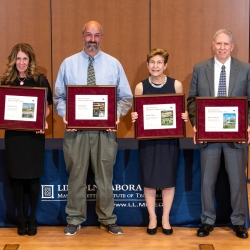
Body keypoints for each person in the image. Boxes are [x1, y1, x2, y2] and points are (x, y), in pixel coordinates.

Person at [53, 20, 133, 236]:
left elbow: (126, 97)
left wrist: (115, 115)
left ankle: (107, 219)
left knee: (104, 177)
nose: (92, 40)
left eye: (96, 35)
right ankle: (74, 218)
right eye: (89, 35)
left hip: (104, 133)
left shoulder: (113, 64)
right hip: (75, 132)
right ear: (82, 36)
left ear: (101, 38)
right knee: (76, 176)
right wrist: (65, 115)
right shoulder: (67, 64)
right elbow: (58, 97)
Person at [187, 29, 250, 239]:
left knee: (237, 181)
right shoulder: (199, 68)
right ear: (212, 45)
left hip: (236, 137)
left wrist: (247, 125)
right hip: (208, 136)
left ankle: (239, 222)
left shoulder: (246, 69)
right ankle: (207, 221)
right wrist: (196, 125)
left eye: (226, 44)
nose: (222, 48)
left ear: (232, 46)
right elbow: (192, 101)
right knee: (207, 180)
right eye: (218, 44)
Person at [131, 48, 188, 235]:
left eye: (159, 63)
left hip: (168, 141)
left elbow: (179, 113)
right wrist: (135, 116)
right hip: (148, 142)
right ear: (147, 65)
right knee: (149, 180)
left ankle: (165, 218)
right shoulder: (140, 87)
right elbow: (138, 114)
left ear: (165, 65)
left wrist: (184, 117)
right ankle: (152, 217)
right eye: (152, 62)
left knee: (168, 180)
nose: (155, 66)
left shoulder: (176, 85)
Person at [1, 43, 52, 236]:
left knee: (32, 178)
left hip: (34, 136)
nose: (21, 62)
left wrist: (42, 120)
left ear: (30, 60)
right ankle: (20, 218)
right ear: (13, 60)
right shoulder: (6, 81)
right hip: (14, 137)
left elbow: (47, 105)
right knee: (16, 178)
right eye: (18, 58)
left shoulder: (39, 80)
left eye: (25, 58)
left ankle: (32, 218)